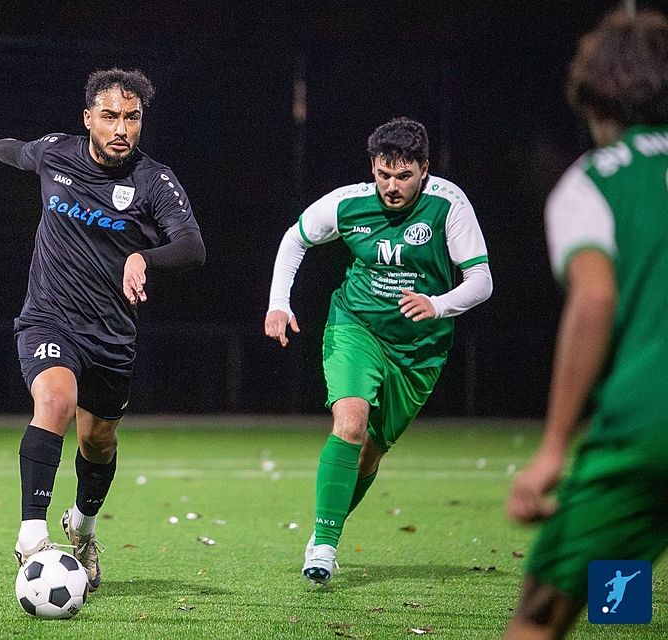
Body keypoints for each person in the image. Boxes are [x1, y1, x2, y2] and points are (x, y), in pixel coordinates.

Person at [0, 68, 205, 592]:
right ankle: (32, 534)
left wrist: (144, 255)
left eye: (132, 117)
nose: (122, 127)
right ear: (88, 119)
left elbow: (192, 246)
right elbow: (19, 151)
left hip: (111, 335)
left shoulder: (154, 181)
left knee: (99, 442)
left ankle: (83, 526)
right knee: (54, 400)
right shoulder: (57, 153)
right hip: (48, 316)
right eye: (110, 116)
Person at [265, 117, 492, 584]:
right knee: (350, 421)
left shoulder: (447, 206)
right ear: (373, 166)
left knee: (369, 453)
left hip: (420, 350)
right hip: (356, 326)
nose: (392, 186)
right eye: (384, 174)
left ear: (424, 170)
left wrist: (437, 303)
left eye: (403, 176)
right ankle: (325, 544)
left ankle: (327, 526)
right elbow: (295, 239)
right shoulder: (349, 203)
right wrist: (278, 303)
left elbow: (482, 281)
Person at [504, 9, 668, 638]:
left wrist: (553, 449)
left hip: (648, 431)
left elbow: (595, 299)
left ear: (592, 92)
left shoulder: (595, 182)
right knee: (620, 595)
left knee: (542, 613)